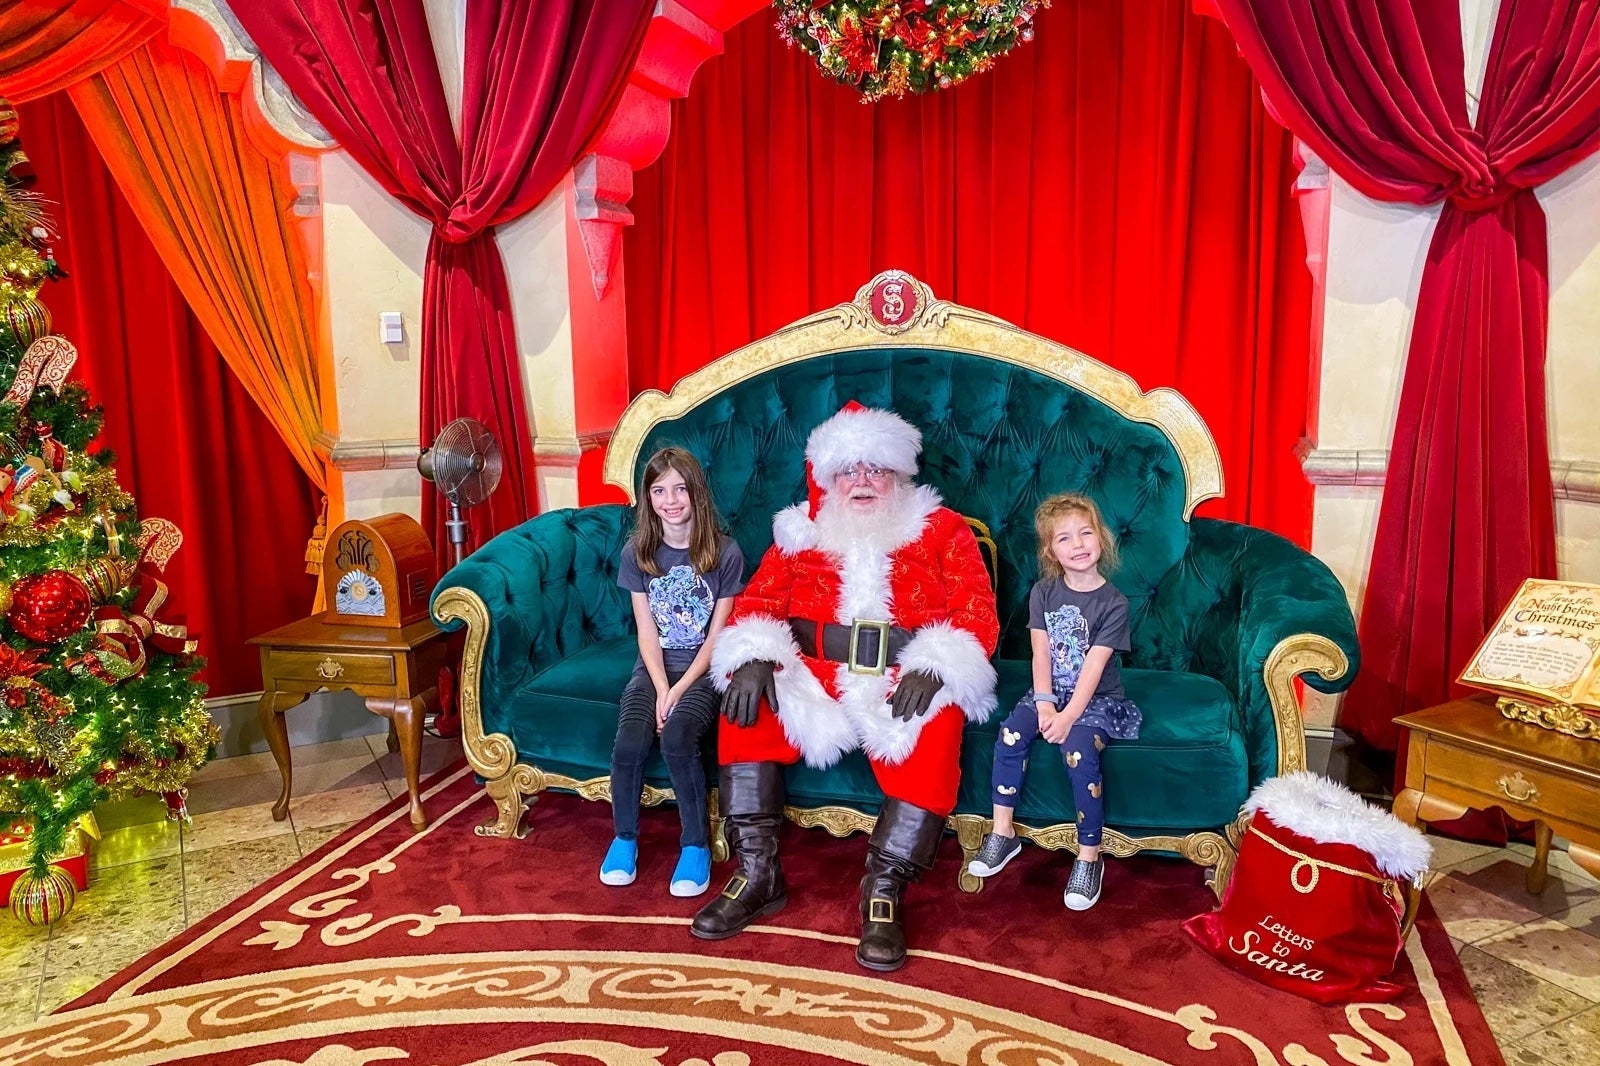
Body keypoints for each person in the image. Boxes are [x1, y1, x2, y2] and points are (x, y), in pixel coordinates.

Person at [692, 401, 999, 972]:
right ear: (828, 478)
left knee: (940, 716)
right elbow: (758, 602)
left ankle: (883, 890)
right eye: (848, 471)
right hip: (813, 671)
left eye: (875, 469)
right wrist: (757, 653)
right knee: (747, 701)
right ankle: (758, 872)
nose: (862, 481)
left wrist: (937, 665)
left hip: (901, 674)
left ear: (900, 473)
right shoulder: (798, 531)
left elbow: (976, 613)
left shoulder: (943, 529)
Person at [966, 493, 1142, 910]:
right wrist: (1045, 705)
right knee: (1010, 734)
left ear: (1101, 538)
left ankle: (1088, 857)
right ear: (1051, 550)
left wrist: (1067, 718)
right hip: (1050, 691)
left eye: (1085, 533)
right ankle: (1003, 831)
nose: (1077, 544)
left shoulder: (1113, 603)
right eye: (1064, 539)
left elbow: (1095, 668)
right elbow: (1040, 654)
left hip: (1094, 698)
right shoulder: (1044, 592)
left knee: (1077, 749)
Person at [604, 447, 744, 897]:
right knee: (629, 741)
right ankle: (624, 838)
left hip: (703, 670)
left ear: (696, 494)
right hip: (654, 668)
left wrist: (681, 689)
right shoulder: (638, 551)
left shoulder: (724, 552)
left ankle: (695, 845)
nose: (670, 500)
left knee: (680, 737)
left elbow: (717, 638)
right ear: (648, 498)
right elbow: (646, 632)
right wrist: (661, 687)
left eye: (680, 489)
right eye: (659, 490)